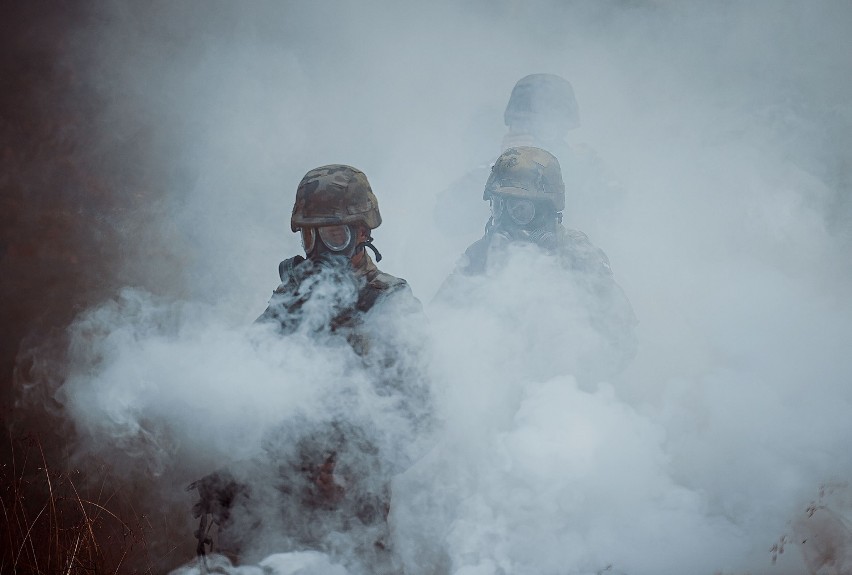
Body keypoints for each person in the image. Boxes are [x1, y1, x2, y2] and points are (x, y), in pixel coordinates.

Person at [190, 165, 429, 573]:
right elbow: (250, 381)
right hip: (278, 496)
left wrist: (353, 470)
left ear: (363, 232)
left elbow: (421, 416)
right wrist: (240, 470)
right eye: (309, 235)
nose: (320, 247)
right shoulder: (291, 297)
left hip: (352, 511)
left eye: (334, 234)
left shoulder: (390, 304)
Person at [436, 146, 637, 383]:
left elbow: (622, 337)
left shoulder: (576, 254)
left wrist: (578, 373)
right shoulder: (480, 256)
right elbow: (439, 327)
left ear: (547, 210)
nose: (504, 221)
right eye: (498, 206)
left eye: (519, 209)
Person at [434, 73, 620, 249]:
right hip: (504, 266)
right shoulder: (497, 169)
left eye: (540, 127)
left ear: (560, 128)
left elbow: (615, 210)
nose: (527, 133)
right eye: (521, 125)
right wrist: (504, 166)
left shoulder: (584, 165)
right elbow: (447, 217)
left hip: (571, 264)